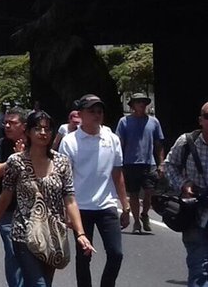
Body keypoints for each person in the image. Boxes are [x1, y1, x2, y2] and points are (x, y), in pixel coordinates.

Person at [0, 111, 95, 287]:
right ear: (28, 132)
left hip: (53, 234)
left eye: (47, 129)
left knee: (44, 283)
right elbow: (5, 196)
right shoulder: (16, 161)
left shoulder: (62, 162)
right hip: (24, 234)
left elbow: (70, 199)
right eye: (38, 128)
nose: (43, 133)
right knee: (39, 284)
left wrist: (81, 234)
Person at [59, 94, 130, 287]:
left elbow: (117, 173)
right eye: (91, 111)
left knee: (116, 254)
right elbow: (65, 178)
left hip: (106, 205)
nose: (96, 115)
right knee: (84, 256)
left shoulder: (112, 138)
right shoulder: (70, 141)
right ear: (80, 114)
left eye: (99, 111)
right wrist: (66, 210)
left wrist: (125, 205)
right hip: (80, 207)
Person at [164, 101, 208, 286]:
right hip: (196, 215)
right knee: (200, 270)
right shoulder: (187, 142)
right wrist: (183, 184)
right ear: (200, 120)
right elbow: (169, 166)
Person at [0, 107, 27, 287]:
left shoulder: (35, 145)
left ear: (24, 126)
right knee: (13, 252)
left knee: (32, 254)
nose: (7, 126)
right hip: (7, 210)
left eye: (13, 123)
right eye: (6, 123)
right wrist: (15, 158)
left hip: (32, 209)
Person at [116, 93, 165, 233]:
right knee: (134, 194)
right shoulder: (124, 122)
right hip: (130, 163)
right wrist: (118, 163)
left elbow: (159, 143)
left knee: (149, 191)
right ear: (132, 105)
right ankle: (137, 221)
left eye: (143, 102)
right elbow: (119, 143)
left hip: (149, 163)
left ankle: (145, 214)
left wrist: (162, 163)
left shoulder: (153, 122)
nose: (142, 104)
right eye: (138, 102)